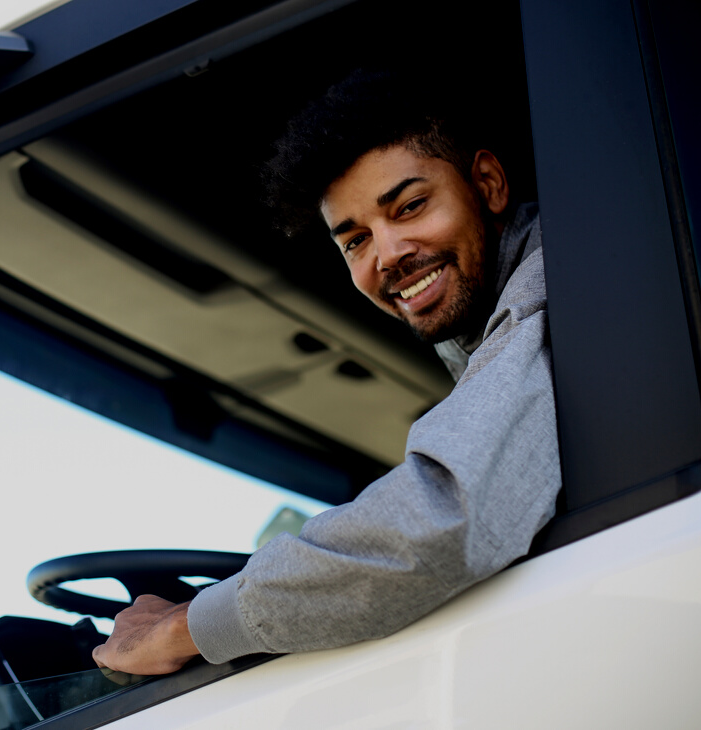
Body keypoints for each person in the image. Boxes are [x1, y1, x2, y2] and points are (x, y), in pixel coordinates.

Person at [92, 70, 562, 675]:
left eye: (411, 206)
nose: (387, 255)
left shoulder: (552, 290)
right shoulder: (494, 328)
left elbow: (443, 519)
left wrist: (185, 627)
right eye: (356, 240)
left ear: (488, 184)